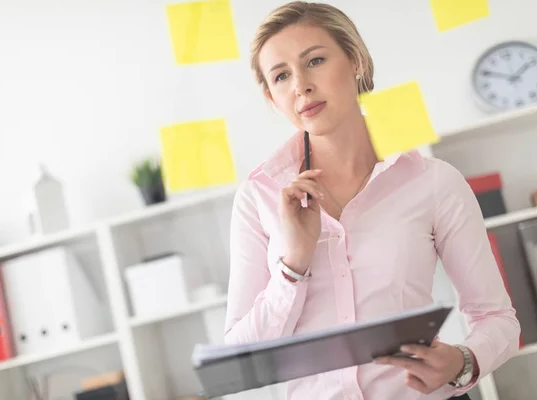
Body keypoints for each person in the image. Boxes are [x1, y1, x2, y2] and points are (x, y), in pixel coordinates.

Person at [223, 2, 521, 399]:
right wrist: (293, 266)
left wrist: (461, 362)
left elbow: (497, 318)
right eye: (281, 76)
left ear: (356, 60)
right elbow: (239, 358)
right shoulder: (258, 198)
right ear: (272, 96)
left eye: (314, 61)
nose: (300, 85)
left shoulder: (433, 183)